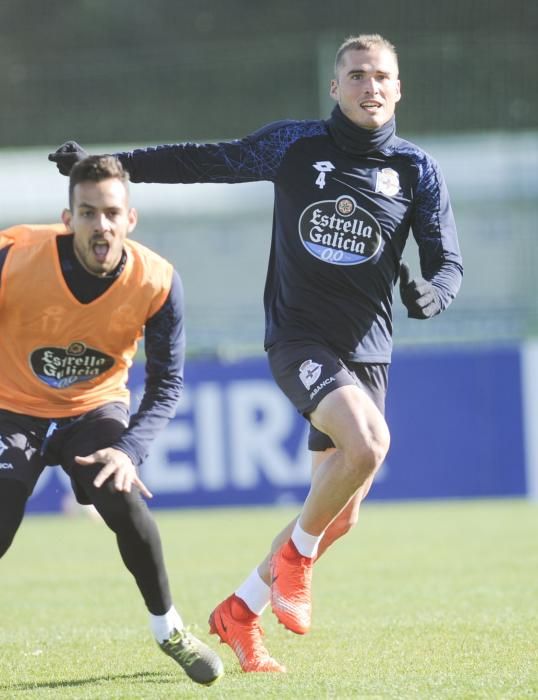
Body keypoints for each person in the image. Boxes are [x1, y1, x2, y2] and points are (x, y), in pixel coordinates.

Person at [49, 34, 463, 674]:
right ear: (335, 87)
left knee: (340, 516)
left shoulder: (416, 169)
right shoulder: (297, 145)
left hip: (369, 355)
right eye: (356, 76)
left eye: (381, 76)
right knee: (371, 444)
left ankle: (241, 611)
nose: (369, 87)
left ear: (399, 88)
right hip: (299, 338)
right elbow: (210, 159)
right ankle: (294, 563)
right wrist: (112, 163)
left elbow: (447, 262)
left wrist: (433, 295)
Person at [0, 155, 224, 686]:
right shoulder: (14, 256)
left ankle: (169, 629)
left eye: (111, 213)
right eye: (88, 213)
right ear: (68, 218)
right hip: (13, 406)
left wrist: (128, 451)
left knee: (122, 498)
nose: (101, 225)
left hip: (93, 408)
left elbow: (167, 383)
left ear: (131, 219)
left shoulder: (159, 281)